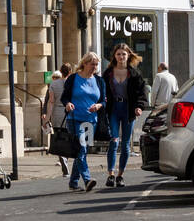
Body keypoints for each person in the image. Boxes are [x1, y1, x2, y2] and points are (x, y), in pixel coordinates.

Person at [102, 43, 148, 188]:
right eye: (118, 54)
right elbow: (101, 91)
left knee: (126, 144)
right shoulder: (108, 73)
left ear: (128, 56)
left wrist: (139, 107)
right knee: (114, 141)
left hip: (128, 109)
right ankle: (110, 174)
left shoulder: (134, 74)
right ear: (114, 56)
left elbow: (142, 93)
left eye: (124, 54)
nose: (121, 57)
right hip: (113, 108)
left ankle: (120, 175)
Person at [61, 53, 103, 192]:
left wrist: (98, 106)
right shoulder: (73, 78)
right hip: (75, 118)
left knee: (82, 152)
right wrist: (67, 104)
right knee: (81, 148)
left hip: (92, 120)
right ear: (84, 63)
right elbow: (64, 97)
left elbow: (103, 100)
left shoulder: (98, 80)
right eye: (92, 64)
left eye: (96, 64)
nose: (94, 67)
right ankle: (87, 179)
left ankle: (73, 182)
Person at [41, 70, 69, 176]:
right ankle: (63, 158)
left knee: (60, 137)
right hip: (62, 114)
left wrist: (46, 115)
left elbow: (49, 101)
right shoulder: (54, 87)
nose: (55, 80)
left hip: (59, 114)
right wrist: (45, 113)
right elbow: (47, 101)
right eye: (54, 78)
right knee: (61, 137)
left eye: (57, 78)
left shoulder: (61, 87)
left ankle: (63, 158)